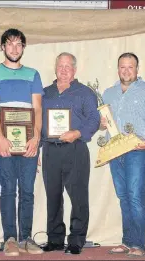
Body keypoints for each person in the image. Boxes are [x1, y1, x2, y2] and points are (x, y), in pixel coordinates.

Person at [0, 28, 43, 256]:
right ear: (2, 47)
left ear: (23, 48)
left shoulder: (33, 74)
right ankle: (10, 238)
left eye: (19, 44)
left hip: (29, 141)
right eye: (10, 44)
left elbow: (37, 108)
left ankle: (26, 237)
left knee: (27, 190)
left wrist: (36, 137)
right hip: (4, 141)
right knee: (8, 189)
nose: (14, 48)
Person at [101, 52, 145, 258]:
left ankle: (138, 244)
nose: (126, 71)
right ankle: (127, 241)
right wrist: (101, 123)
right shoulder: (108, 93)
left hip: (138, 150)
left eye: (130, 67)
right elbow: (104, 122)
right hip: (115, 150)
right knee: (123, 197)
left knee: (136, 196)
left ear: (137, 69)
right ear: (117, 68)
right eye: (122, 67)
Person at [41, 52, 100, 255]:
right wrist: (37, 146)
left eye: (68, 66)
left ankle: (76, 239)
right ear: (55, 68)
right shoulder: (44, 93)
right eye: (60, 65)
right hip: (50, 150)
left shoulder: (85, 93)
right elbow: (39, 122)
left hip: (76, 150)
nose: (64, 69)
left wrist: (77, 133)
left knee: (78, 197)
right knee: (53, 196)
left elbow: (94, 120)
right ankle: (55, 239)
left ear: (75, 70)